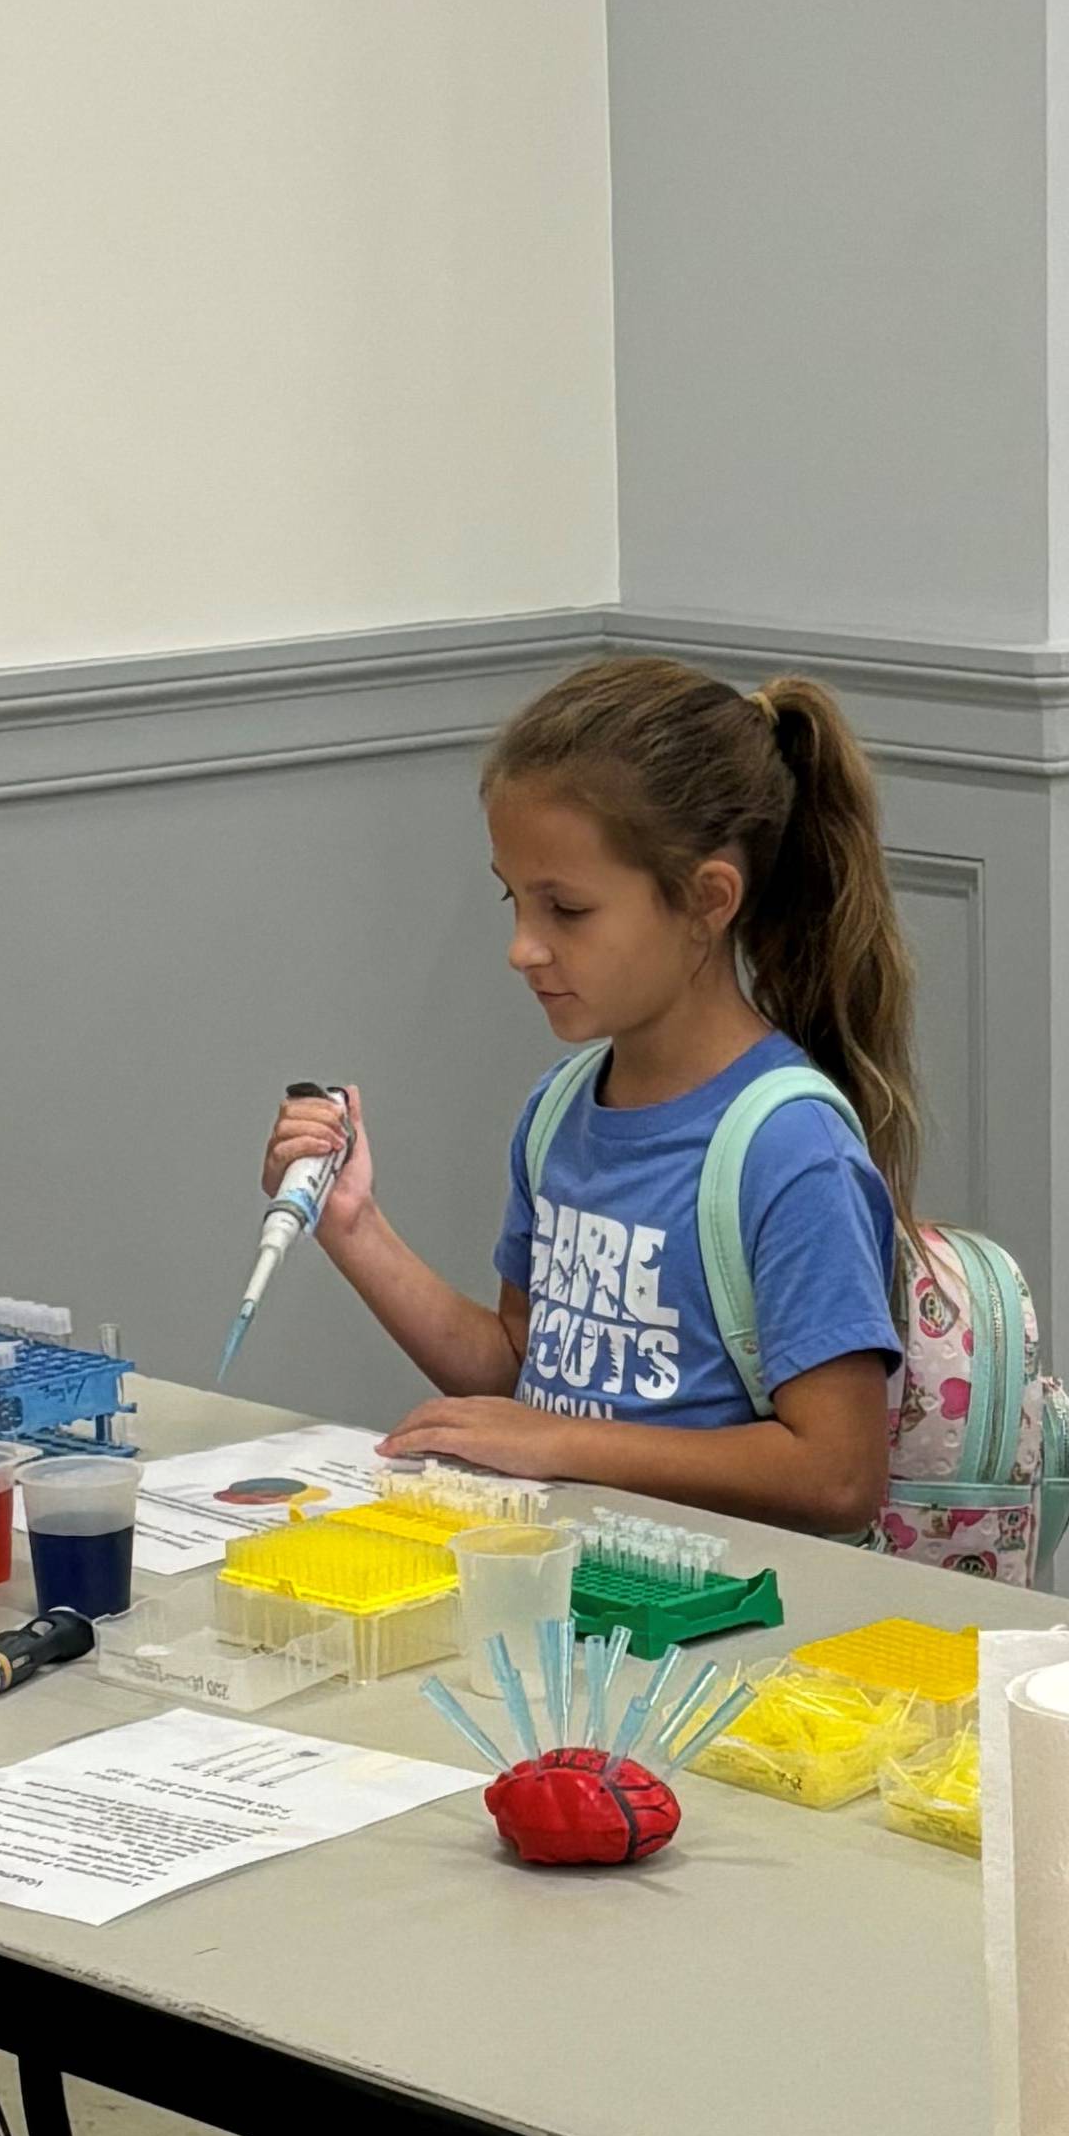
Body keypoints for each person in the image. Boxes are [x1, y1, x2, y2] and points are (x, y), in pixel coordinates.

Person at [261, 655, 917, 1535]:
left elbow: (836, 1474)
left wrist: (561, 1443)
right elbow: (517, 1370)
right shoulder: (559, 1114)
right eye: (515, 902)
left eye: (566, 910)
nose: (522, 948)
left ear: (707, 900)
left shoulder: (791, 1150)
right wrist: (354, 1225)